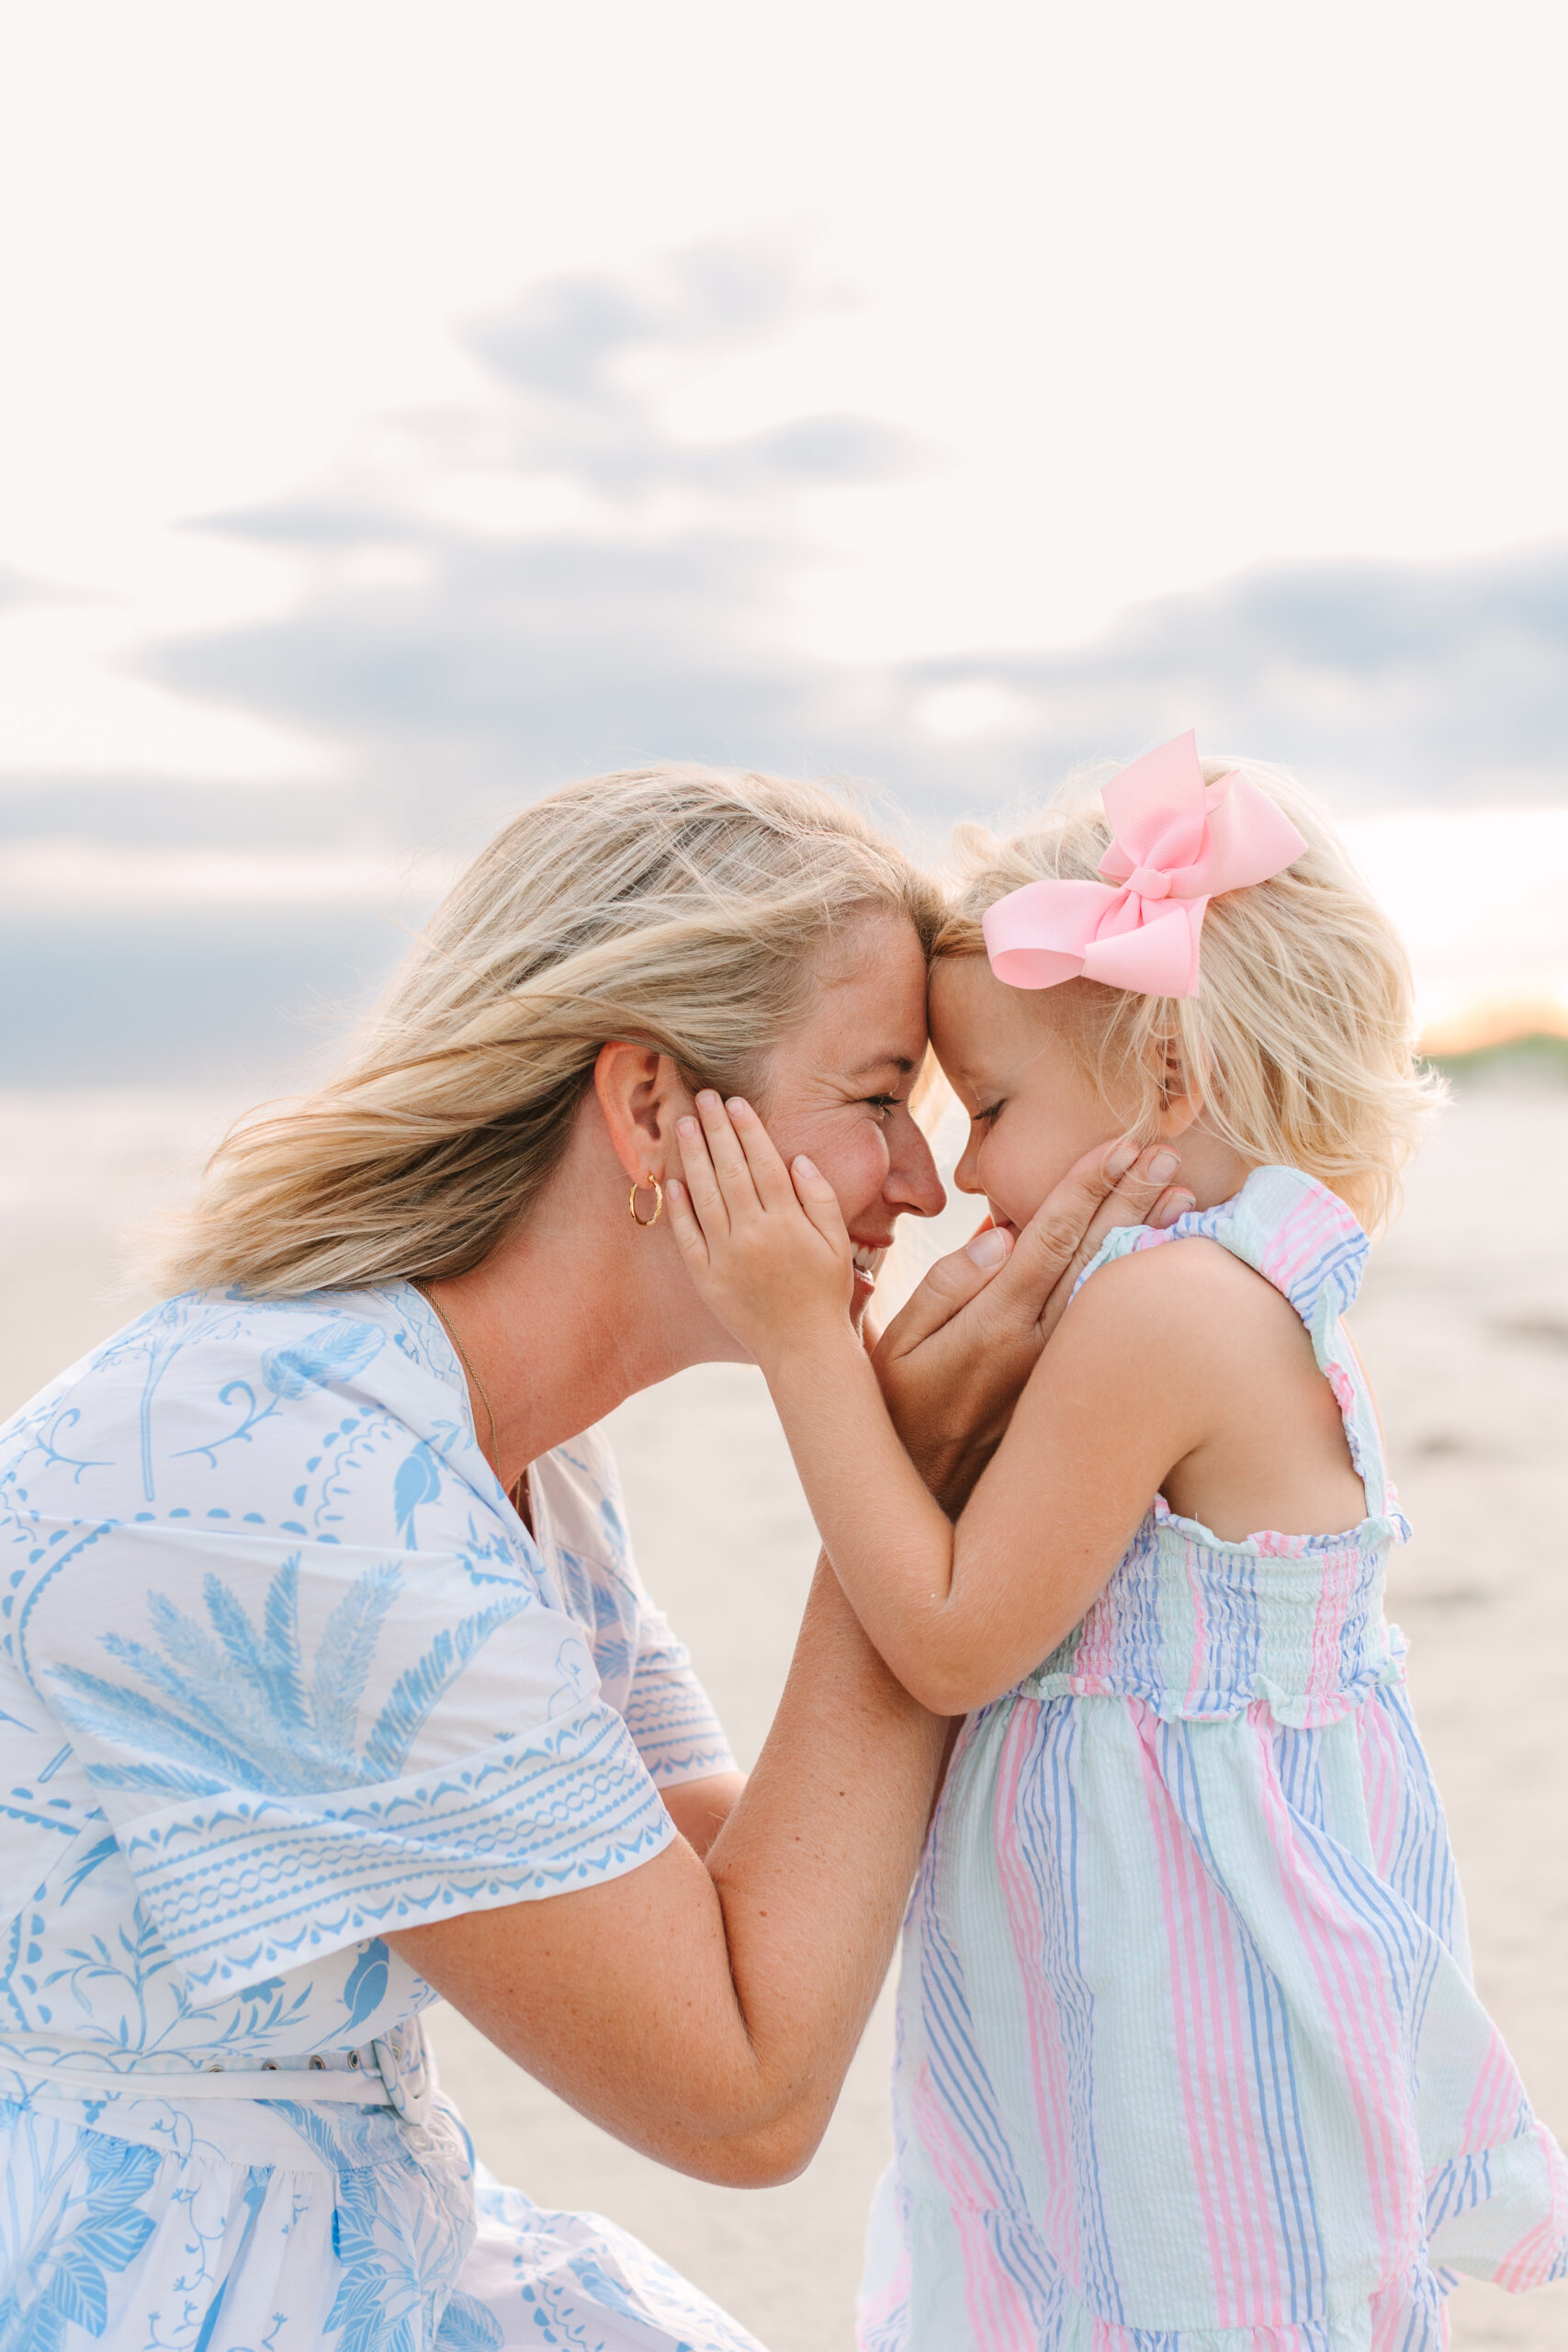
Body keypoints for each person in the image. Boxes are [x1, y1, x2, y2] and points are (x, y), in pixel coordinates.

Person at [0, 763, 1188, 2352]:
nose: (921, 1183)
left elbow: (715, 1874)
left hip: (355, 2216)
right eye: (874, 1097)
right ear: (647, 1108)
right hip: (124, 2260)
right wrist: (898, 1481)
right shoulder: (285, 1482)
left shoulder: (505, 1442)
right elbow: (742, 2091)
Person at [667, 733, 1568, 2350]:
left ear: (1165, 1079)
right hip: (1129, 1994)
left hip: (1188, 2022)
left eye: (992, 1104)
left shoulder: (1170, 1313)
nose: (968, 1177)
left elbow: (947, 1638)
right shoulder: (1229, 1290)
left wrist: (808, 1345)